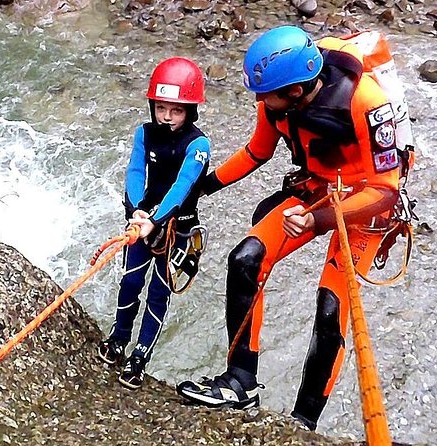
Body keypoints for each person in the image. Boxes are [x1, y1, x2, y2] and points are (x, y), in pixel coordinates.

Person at [176, 25, 410, 430]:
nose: (259, 102)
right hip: (317, 188)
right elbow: (258, 151)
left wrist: (315, 219)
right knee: (245, 259)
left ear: (298, 90)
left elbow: (386, 190)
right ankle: (240, 380)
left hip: (365, 206)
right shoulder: (275, 100)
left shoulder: (367, 103)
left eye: (266, 95)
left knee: (330, 307)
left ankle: (303, 422)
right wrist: (205, 187)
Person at [97, 57, 211, 391]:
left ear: (190, 111)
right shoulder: (144, 133)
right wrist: (136, 211)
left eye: (176, 111)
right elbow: (135, 173)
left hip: (178, 230)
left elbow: (183, 186)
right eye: (161, 108)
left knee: (158, 295)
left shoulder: (198, 145)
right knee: (130, 283)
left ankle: (140, 356)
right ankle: (119, 338)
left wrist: (157, 220)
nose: (167, 117)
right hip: (144, 220)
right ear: (153, 105)